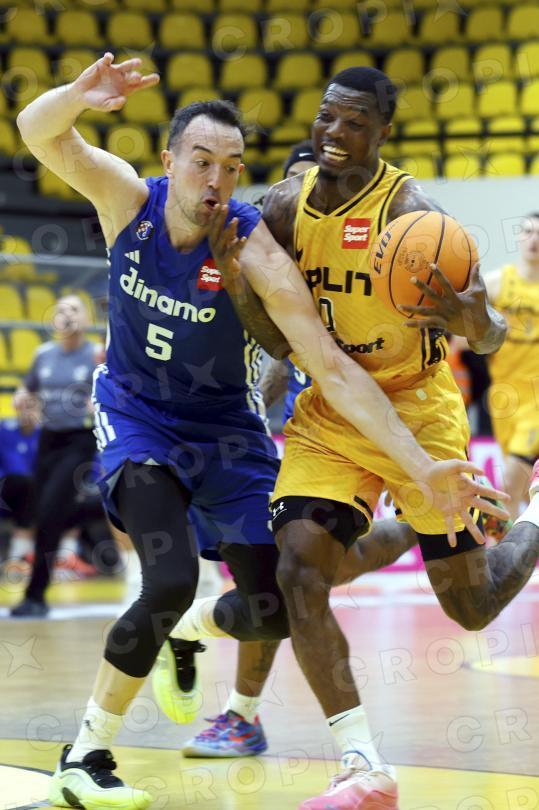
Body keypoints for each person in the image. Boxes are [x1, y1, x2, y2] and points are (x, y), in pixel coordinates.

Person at [15, 54, 505, 809]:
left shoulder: (254, 245)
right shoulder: (126, 200)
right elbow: (38, 131)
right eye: (201, 161)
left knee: (275, 609)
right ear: (169, 160)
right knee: (168, 577)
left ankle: (188, 634)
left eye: (230, 166)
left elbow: (331, 367)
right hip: (140, 417)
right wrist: (75, 97)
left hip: (226, 429)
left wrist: (420, 464)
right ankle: (85, 757)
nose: (215, 179)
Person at [168, 67, 539, 810]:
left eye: (355, 122)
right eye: (327, 117)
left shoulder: (415, 213)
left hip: (417, 411)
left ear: (384, 132)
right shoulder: (284, 206)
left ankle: (528, 522)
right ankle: (364, 765)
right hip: (332, 413)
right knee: (299, 574)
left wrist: (471, 319)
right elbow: (279, 336)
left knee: (470, 607)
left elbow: (491, 332)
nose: (335, 133)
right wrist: (237, 281)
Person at [10, 295, 106, 617]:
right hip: (48, 439)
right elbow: (27, 390)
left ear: (86, 318)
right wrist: (23, 400)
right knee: (40, 512)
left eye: (73, 309)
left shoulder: (95, 354)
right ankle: (36, 590)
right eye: (61, 309)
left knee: (52, 511)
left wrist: (98, 403)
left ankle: (36, 595)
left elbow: (113, 392)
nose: (66, 314)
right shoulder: (43, 354)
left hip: (80, 440)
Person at [485, 213, 539, 520]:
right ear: (519, 237)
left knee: (511, 482)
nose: (534, 240)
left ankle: (505, 535)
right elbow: (467, 334)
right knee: (517, 490)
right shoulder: (496, 284)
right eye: (528, 232)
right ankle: (518, 536)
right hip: (505, 395)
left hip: (537, 397)